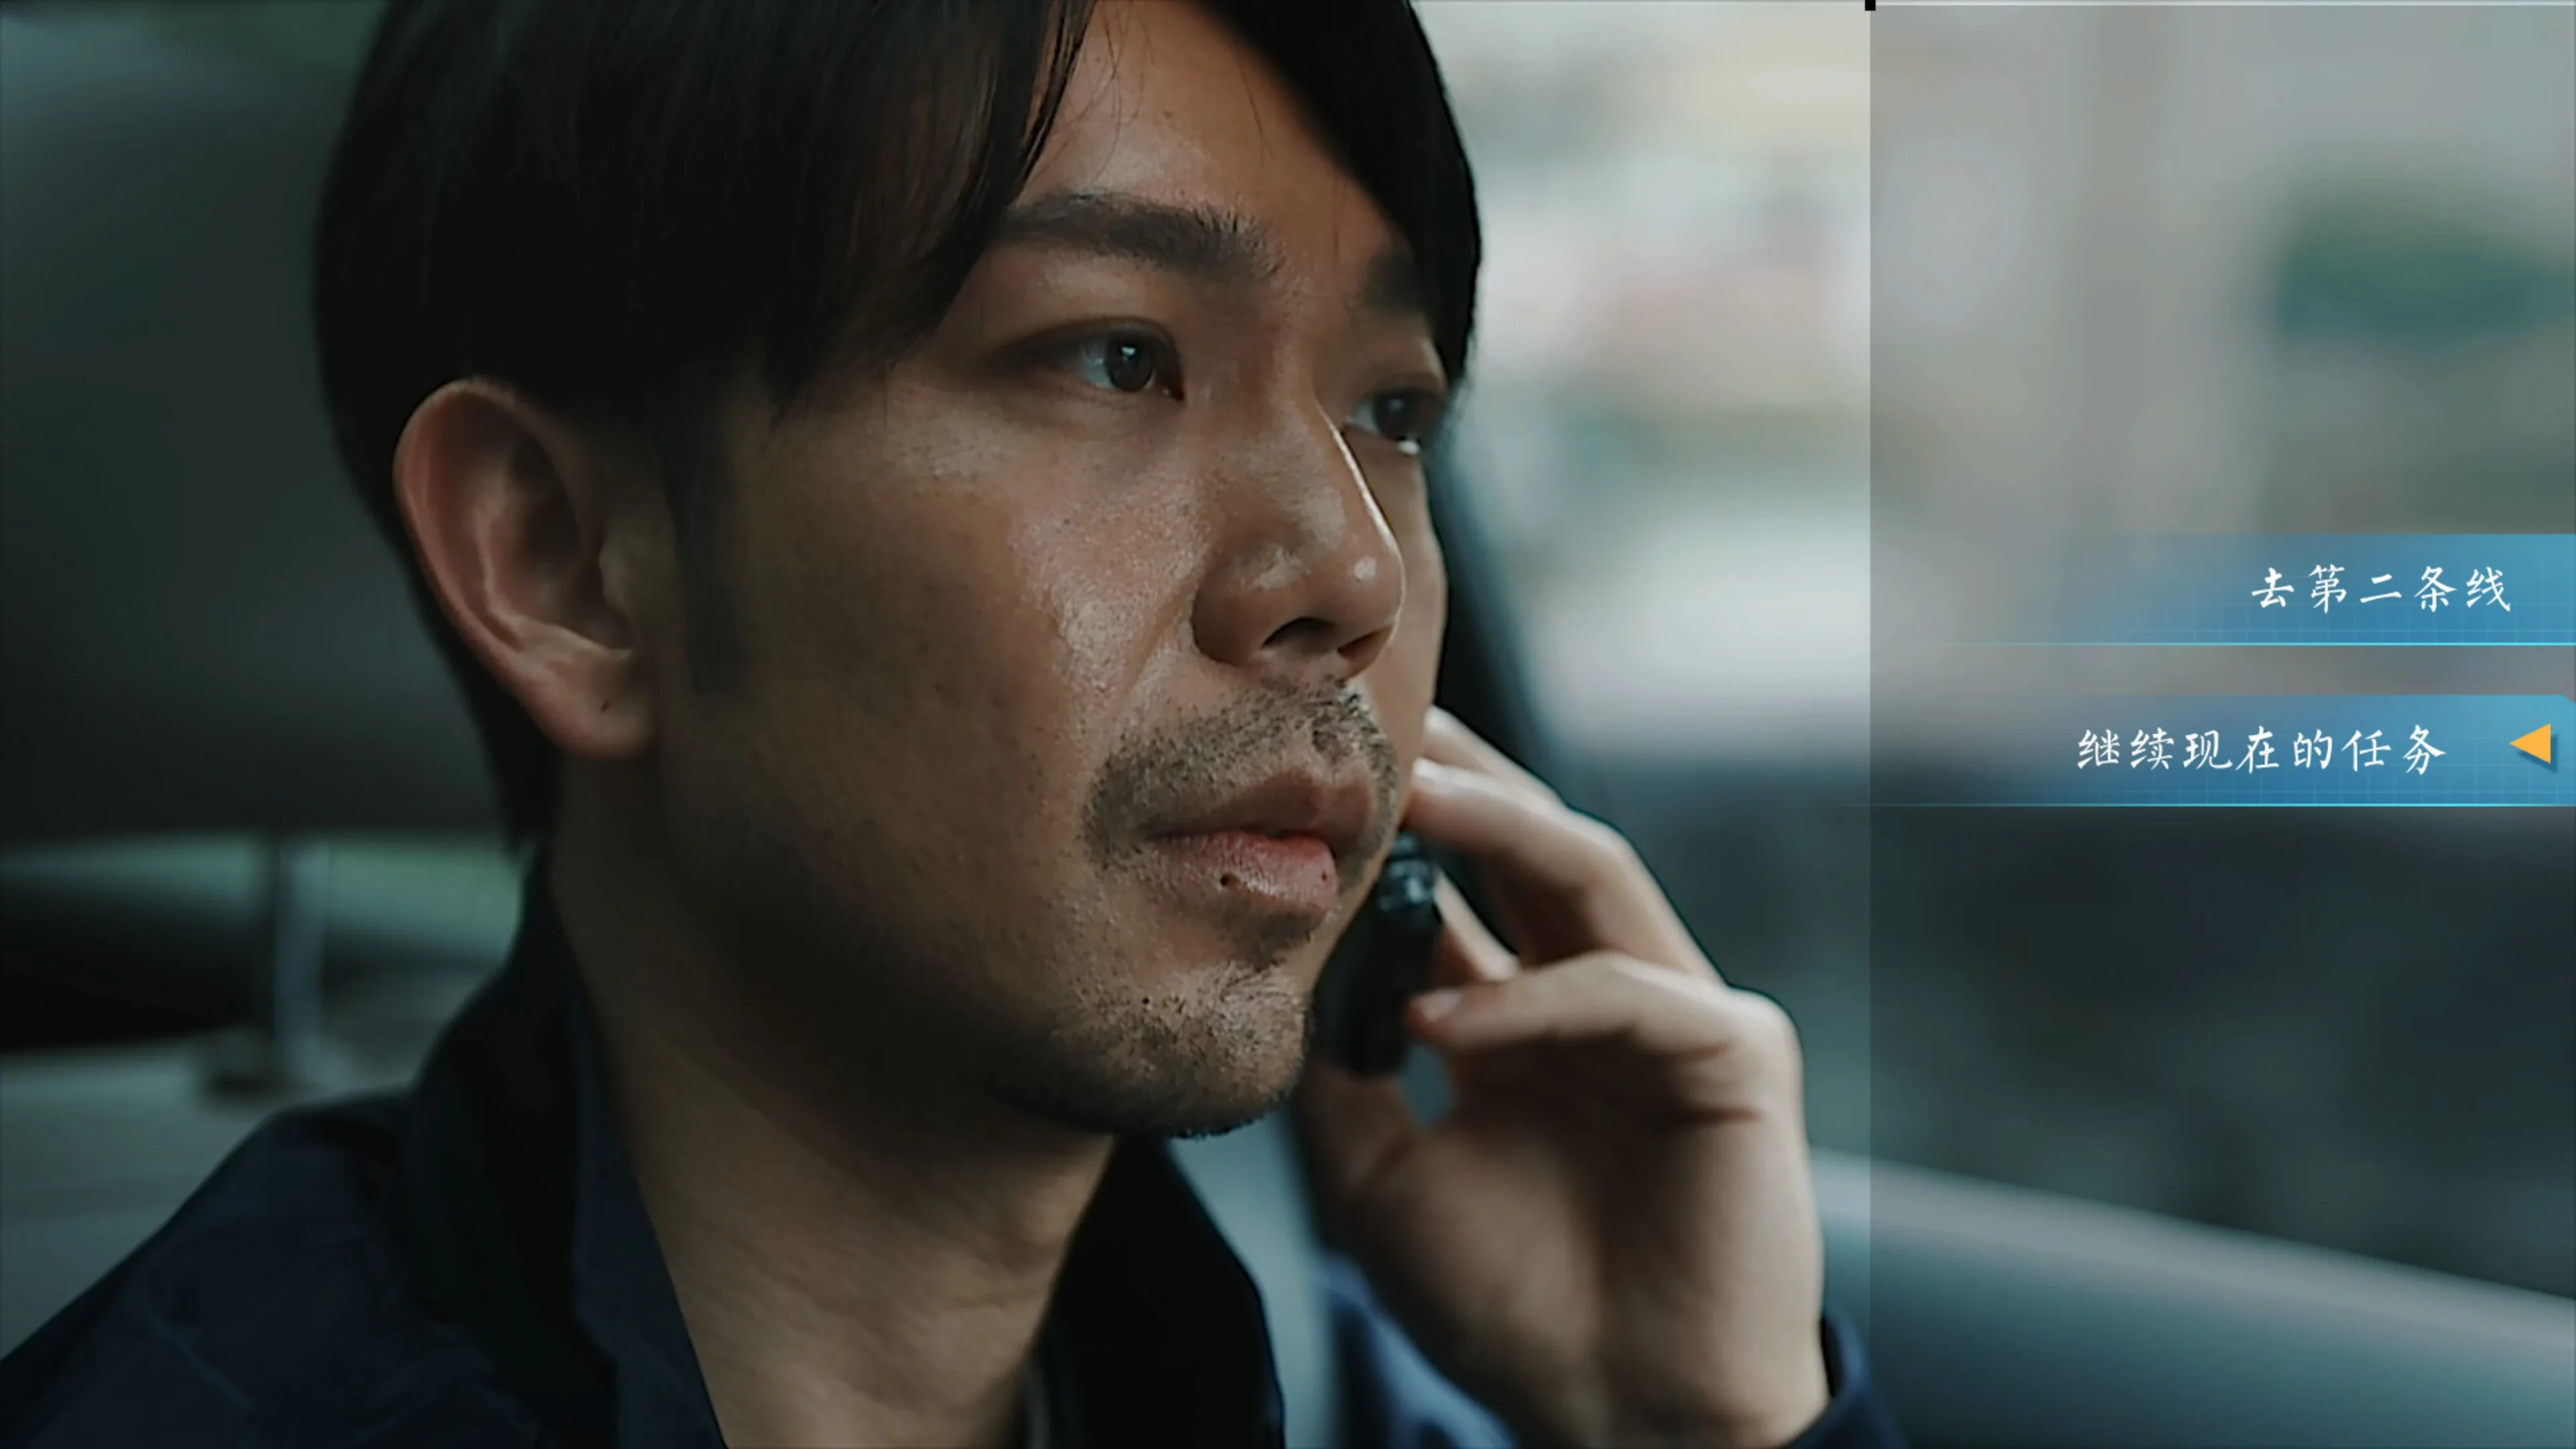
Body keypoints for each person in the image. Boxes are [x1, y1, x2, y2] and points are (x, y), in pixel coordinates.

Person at [0, 2, 1905, 1445]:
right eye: (1117, 357)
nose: (1353, 574)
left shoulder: (1305, 1352)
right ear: (568, 560)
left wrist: (1706, 1431)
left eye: (1391, 413)